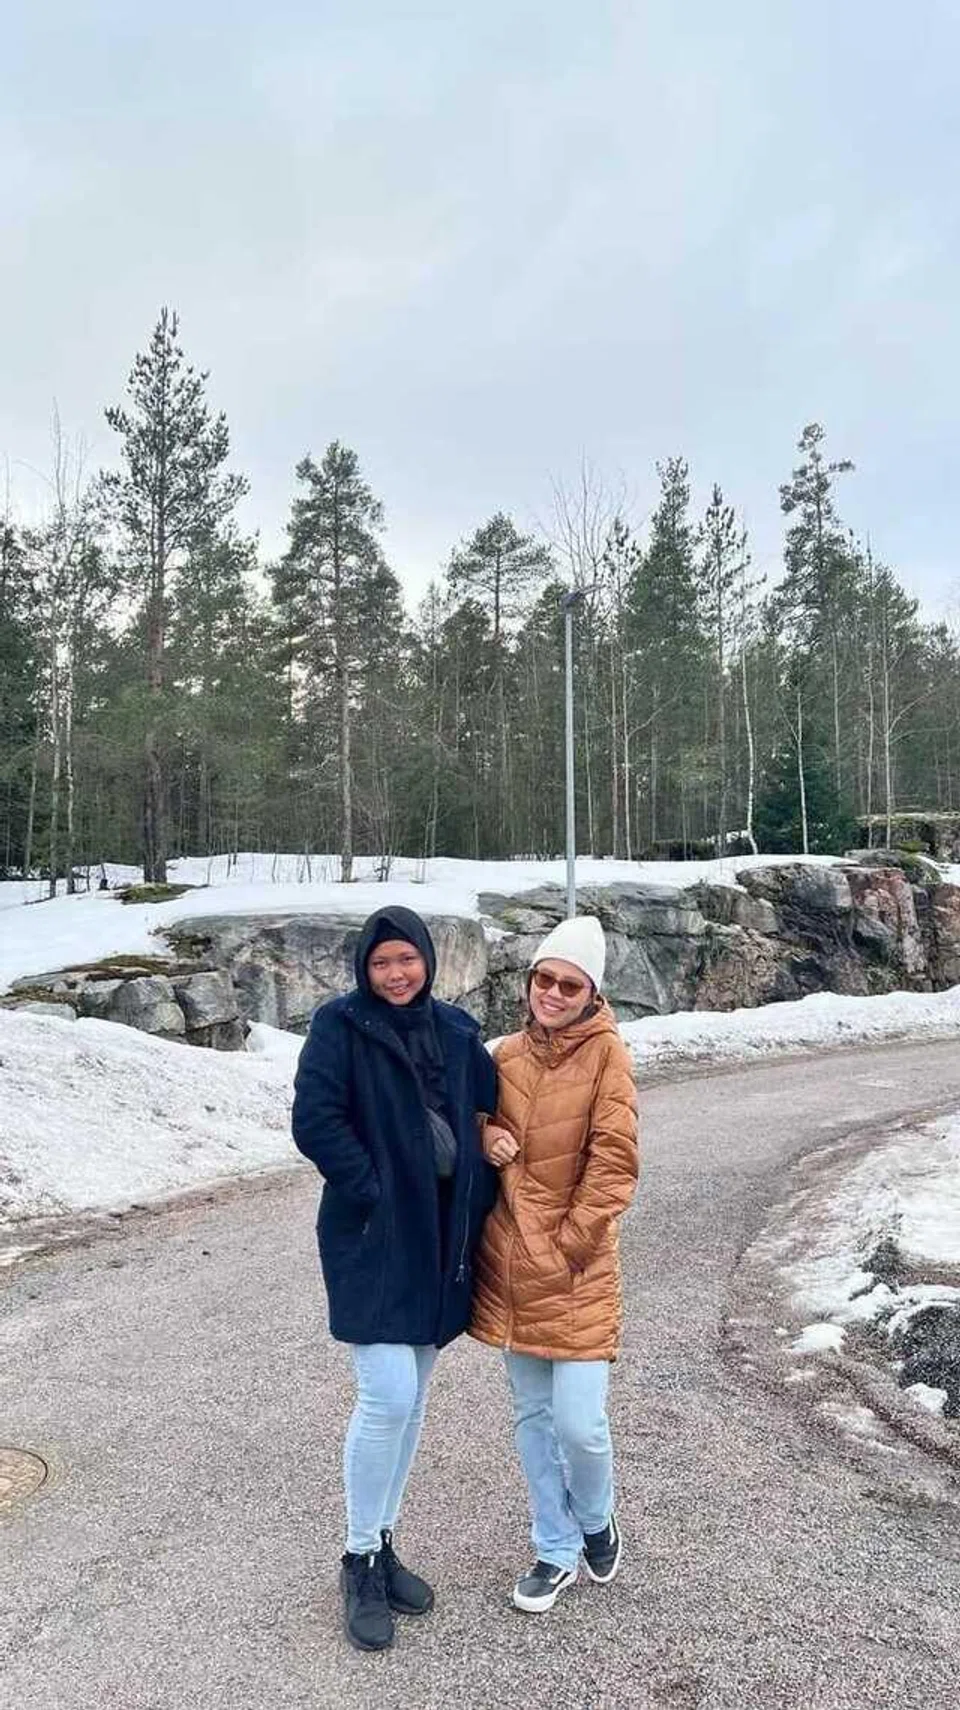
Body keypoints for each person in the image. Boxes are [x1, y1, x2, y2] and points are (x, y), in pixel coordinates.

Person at [292, 906, 497, 1653]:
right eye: (382, 964)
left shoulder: (456, 1030)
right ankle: (356, 1560)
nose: (397, 974)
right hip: (374, 1234)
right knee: (387, 1397)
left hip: (440, 1238)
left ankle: (382, 1542)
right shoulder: (339, 1027)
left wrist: (490, 1144)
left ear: (427, 961)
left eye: (407, 959)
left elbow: (487, 1107)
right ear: (363, 970)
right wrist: (372, 1187)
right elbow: (315, 1120)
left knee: (412, 1403)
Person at [470, 914, 639, 1613]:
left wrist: (570, 1245)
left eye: (570, 984)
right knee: (533, 1419)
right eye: (546, 978)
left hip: (575, 1271)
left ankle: (596, 1520)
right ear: (530, 980)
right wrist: (484, 1134)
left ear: (591, 993)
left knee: (580, 1424)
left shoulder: (608, 1057)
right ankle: (555, 1547)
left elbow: (615, 1162)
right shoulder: (502, 1055)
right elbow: (453, 1118)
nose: (554, 992)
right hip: (509, 1266)